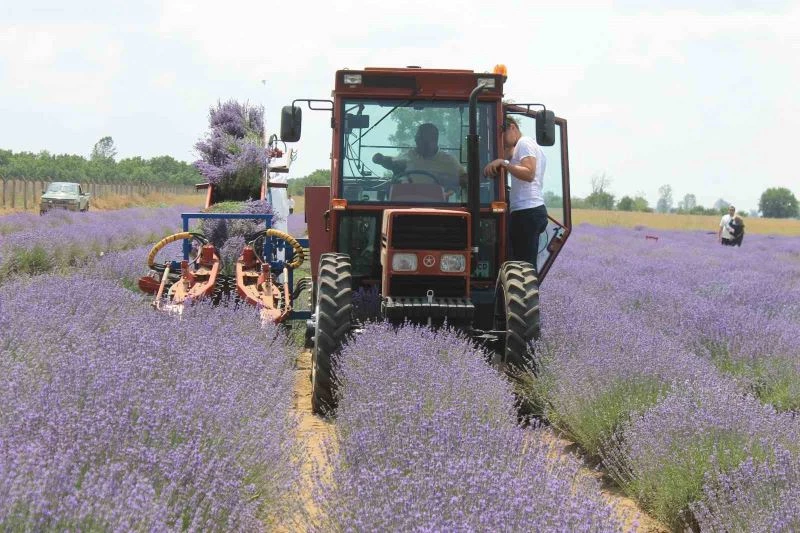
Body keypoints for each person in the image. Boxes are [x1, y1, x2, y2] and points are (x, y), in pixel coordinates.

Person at [483, 116, 548, 271]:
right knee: (520, 265)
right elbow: (510, 157)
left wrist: (503, 163)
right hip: (527, 210)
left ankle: (528, 295)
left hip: (528, 210)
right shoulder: (520, 146)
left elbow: (529, 173)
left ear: (512, 128)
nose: (502, 140)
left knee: (524, 268)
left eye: (501, 135)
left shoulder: (524, 143)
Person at [372, 123, 466, 198]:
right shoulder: (409, 155)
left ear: (433, 140)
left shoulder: (448, 160)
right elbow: (393, 162)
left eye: (420, 138)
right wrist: (382, 159)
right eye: (416, 138)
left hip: (436, 206)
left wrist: (448, 180)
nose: (416, 141)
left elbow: (466, 180)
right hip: (404, 203)